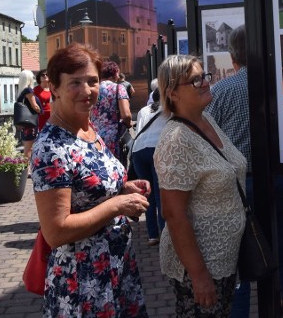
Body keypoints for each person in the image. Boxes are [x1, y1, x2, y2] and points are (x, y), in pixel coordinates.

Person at [30, 43, 150, 318]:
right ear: (55, 88)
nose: (86, 91)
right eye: (75, 83)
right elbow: (56, 231)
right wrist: (117, 205)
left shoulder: (86, 129)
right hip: (84, 281)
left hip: (116, 266)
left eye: (92, 81)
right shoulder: (52, 147)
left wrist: (123, 188)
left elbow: (86, 188)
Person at [205, 25, 283, 316]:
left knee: (238, 264)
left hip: (237, 187)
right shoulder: (280, 85)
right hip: (281, 180)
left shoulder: (218, 92)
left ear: (233, 58)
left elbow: (206, 143)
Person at [154, 55, 246, 317]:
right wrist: (199, 275)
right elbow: (173, 213)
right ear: (172, 93)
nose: (206, 83)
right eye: (195, 81)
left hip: (224, 258)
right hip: (201, 266)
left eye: (204, 76)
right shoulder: (176, 140)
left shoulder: (206, 121)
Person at [130, 80, 168, 246]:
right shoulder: (168, 110)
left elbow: (138, 131)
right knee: (161, 195)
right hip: (156, 150)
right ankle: (165, 233)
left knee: (149, 195)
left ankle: (153, 235)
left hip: (139, 152)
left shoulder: (143, 110)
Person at [91, 61, 132, 162]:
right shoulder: (118, 88)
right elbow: (126, 115)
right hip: (113, 138)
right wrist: (128, 124)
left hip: (94, 137)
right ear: (115, 73)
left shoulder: (93, 89)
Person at [16, 70, 42, 161]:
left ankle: (28, 169)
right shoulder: (29, 90)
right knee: (29, 148)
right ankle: (28, 170)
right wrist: (40, 109)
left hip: (25, 124)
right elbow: (35, 106)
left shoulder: (21, 91)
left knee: (27, 147)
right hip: (30, 124)